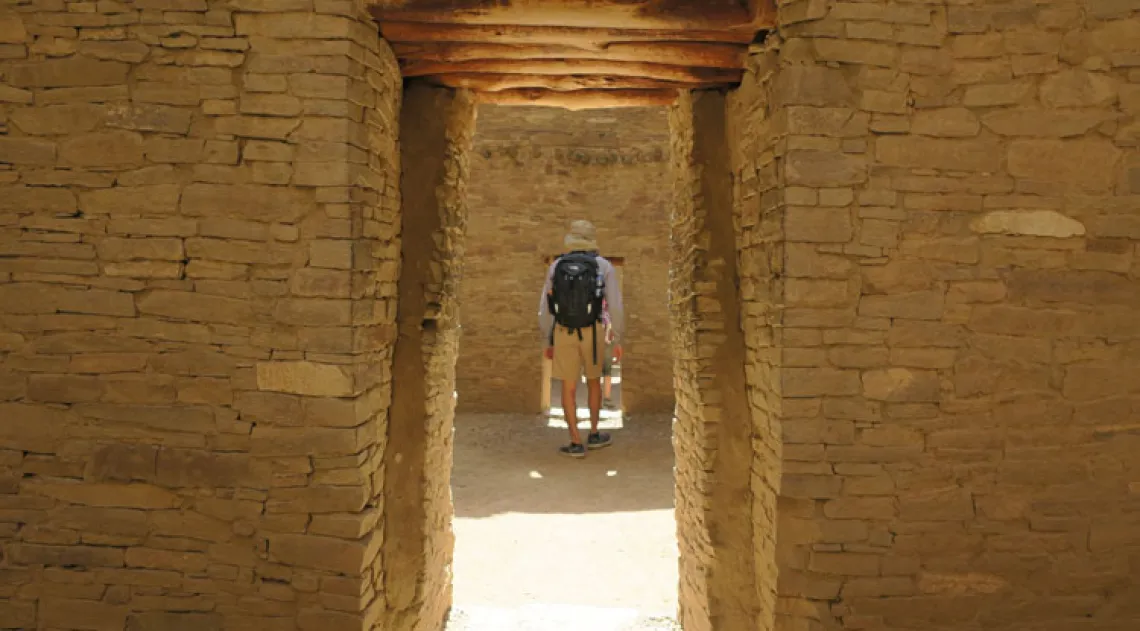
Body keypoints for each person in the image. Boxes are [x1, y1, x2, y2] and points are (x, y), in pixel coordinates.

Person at [539, 220, 624, 458]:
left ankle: (575, 441)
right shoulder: (603, 266)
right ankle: (595, 433)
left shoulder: (556, 266)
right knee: (594, 381)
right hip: (594, 329)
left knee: (568, 386)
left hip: (564, 331)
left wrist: (548, 339)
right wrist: (616, 336)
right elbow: (615, 305)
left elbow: (545, 306)